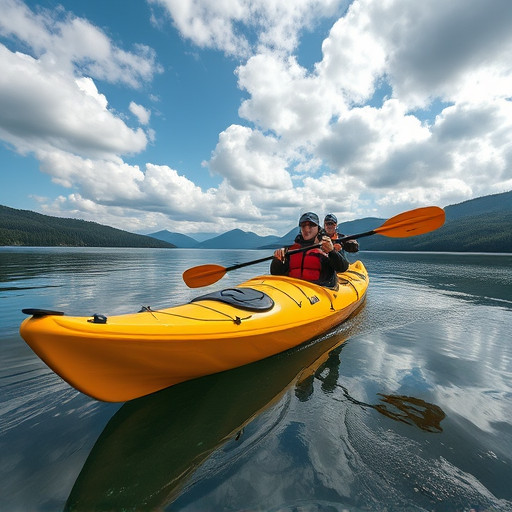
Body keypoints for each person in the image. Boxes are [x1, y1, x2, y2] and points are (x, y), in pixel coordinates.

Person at [270, 212, 349, 287]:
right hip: (294, 290)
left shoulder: (326, 246)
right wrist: (277, 261)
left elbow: (342, 268)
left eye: (311, 225)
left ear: (318, 228)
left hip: (319, 291)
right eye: (303, 226)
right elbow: (275, 273)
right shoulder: (291, 250)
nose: (307, 230)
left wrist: (332, 252)